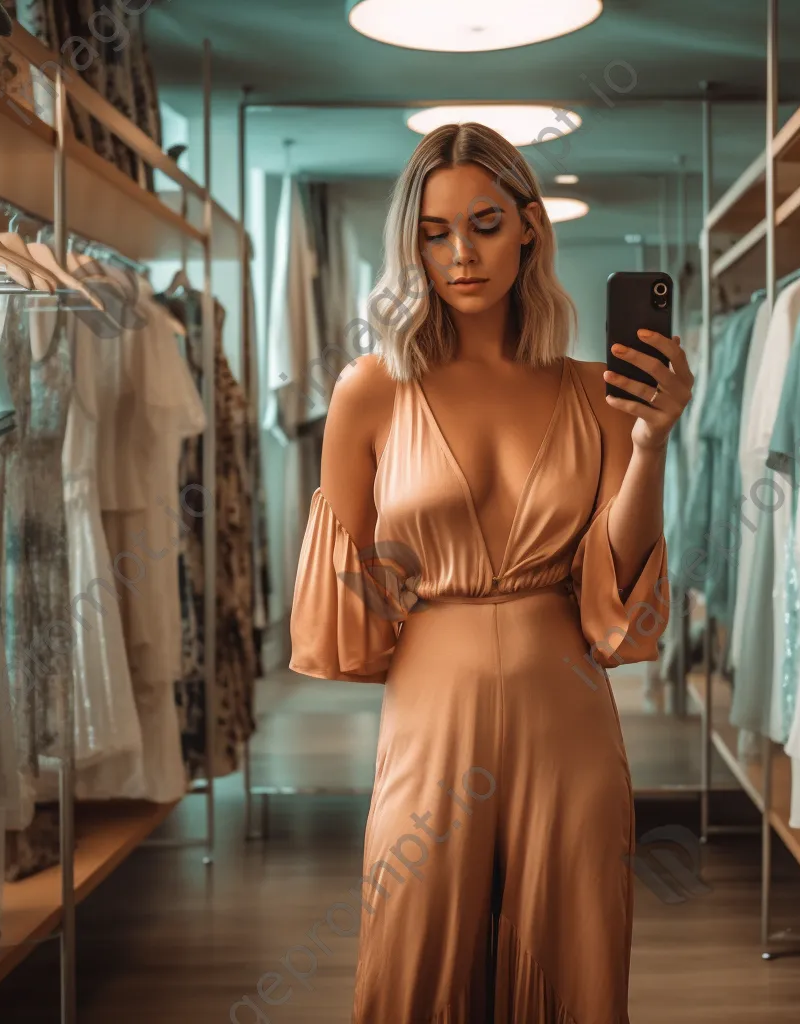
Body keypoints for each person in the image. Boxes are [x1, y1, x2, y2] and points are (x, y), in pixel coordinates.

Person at [289, 122, 693, 1023]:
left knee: (575, 948)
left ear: (529, 229)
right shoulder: (371, 390)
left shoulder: (598, 390)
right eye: (434, 232)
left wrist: (653, 443)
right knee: (415, 951)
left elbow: (616, 590)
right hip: (432, 708)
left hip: (569, 710)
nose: (460, 253)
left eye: (483, 223)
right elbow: (347, 607)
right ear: (413, 242)